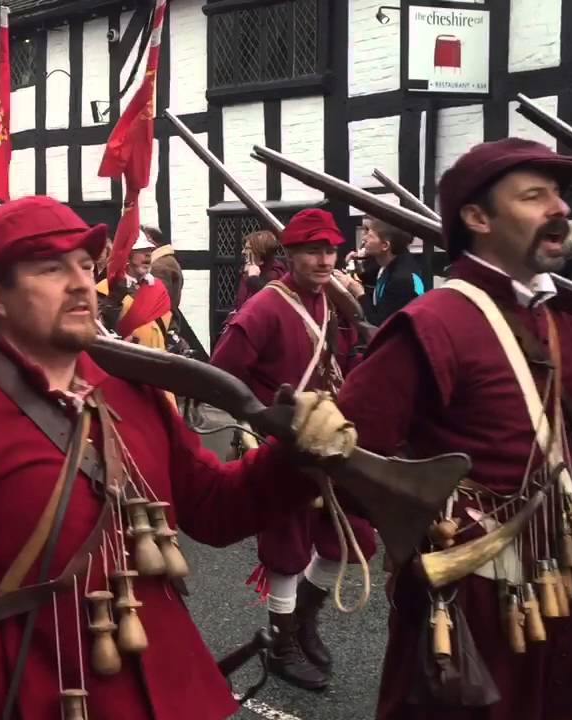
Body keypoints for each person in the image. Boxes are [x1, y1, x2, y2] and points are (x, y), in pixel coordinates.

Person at [0, 195, 358, 720]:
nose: (81, 284)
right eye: (50, 269)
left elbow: (214, 509)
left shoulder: (130, 387)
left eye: (85, 264)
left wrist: (297, 457)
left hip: (170, 687)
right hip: (31, 695)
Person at [337, 138, 572, 720]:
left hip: (560, 586)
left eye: (558, 195)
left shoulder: (555, 320)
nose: (560, 209)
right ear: (476, 217)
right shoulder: (431, 324)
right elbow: (349, 464)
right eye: (534, 195)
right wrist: (433, 538)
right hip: (471, 605)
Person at [210, 208, 374, 691]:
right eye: (312, 251)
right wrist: (261, 418)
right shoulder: (264, 307)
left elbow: (346, 358)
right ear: (292, 254)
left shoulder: (334, 302)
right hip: (283, 442)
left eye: (330, 250)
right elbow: (223, 372)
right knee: (286, 545)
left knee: (354, 540)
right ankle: (281, 644)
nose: (324, 260)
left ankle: (303, 621)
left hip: (330, 438)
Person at [338, 217, 425, 326]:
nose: (364, 239)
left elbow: (378, 322)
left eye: (369, 236)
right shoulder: (390, 262)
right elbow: (362, 276)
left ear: (385, 245)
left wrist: (359, 294)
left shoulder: (401, 280)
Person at [97, 228, 175, 350]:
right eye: (142, 251)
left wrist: (176, 344)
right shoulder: (105, 289)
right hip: (127, 359)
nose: (148, 255)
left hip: (159, 360)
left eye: (149, 251)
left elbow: (170, 325)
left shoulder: (158, 287)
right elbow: (100, 328)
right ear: (127, 256)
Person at [233, 229, 286, 310]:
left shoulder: (275, 275)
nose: (243, 252)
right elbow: (239, 306)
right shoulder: (248, 270)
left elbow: (268, 303)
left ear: (260, 252)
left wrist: (254, 279)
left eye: (247, 249)